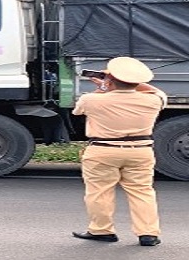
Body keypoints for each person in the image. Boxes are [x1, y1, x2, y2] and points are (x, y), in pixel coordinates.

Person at [71, 56, 167, 246]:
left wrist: (103, 87)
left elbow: (77, 112)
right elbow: (156, 91)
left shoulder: (91, 100)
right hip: (140, 150)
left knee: (99, 192)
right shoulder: (153, 100)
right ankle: (148, 234)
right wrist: (128, 82)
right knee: (142, 191)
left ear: (110, 80)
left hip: (102, 151)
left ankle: (101, 230)